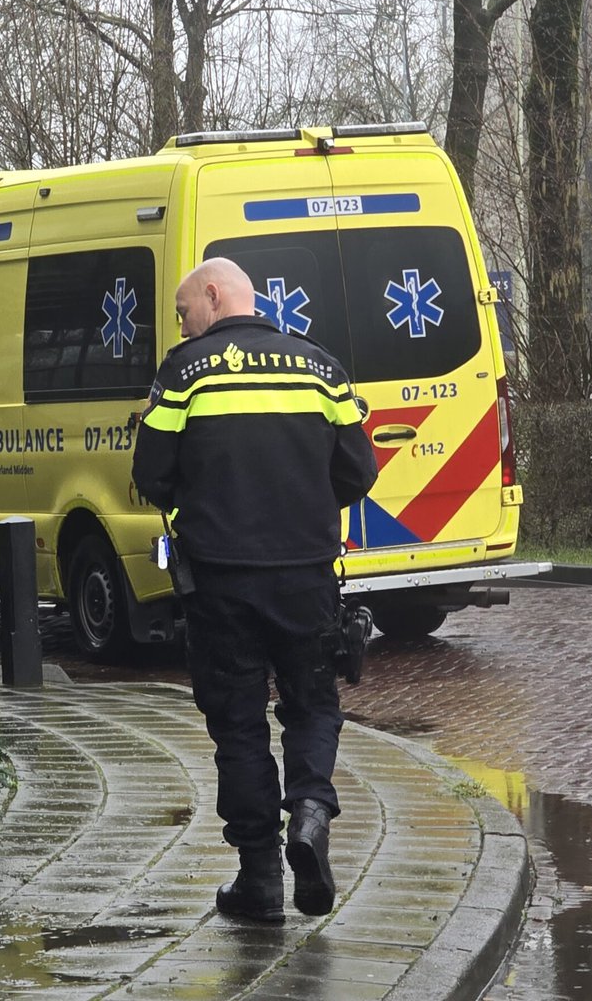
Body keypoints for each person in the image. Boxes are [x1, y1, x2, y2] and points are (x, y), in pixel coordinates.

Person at [131, 257, 378, 922]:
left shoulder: (183, 374)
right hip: (306, 576)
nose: (181, 323)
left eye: (184, 310)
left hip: (220, 580)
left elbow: (151, 477)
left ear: (213, 296)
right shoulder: (320, 367)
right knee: (312, 705)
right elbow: (358, 472)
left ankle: (261, 880)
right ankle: (311, 814)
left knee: (238, 723)